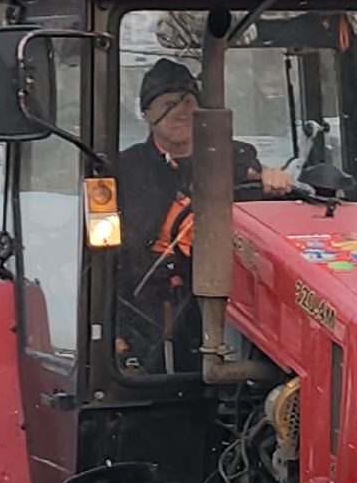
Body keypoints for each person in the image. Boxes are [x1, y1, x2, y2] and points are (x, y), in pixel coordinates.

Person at [114, 59, 290, 371]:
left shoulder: (233, 157)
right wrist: (117, 330)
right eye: (168, 104)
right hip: (150, 305)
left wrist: (274, 181)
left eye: (189, 103)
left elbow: (261, 202)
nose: (181, 112)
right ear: (147, 114)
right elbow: (110, 261)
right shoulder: (125, 170)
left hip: (229, 296)